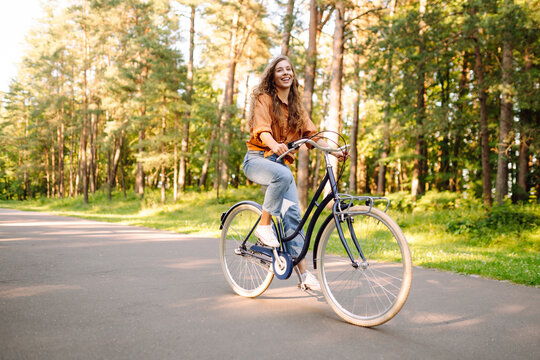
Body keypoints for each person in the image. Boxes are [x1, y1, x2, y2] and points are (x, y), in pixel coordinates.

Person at [243, 55, 347, 290]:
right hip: (257, 160)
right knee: (283, 175)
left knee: (292, 217)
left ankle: (304, 276)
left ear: (293, 75)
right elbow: (262, 129)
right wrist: (274, 144)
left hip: (280, 167)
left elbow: (312, 136)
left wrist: (335, 151)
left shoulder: (297, 108)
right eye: (280, 70)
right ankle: (264, 226)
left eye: (289, 69)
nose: (285, 73)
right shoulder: (264, 98)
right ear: (273, 75)